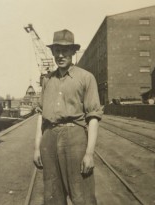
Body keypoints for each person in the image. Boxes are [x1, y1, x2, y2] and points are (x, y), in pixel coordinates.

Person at [33, 29, 103, 205]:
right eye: (57, 50)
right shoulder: (47, 80)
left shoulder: (86, 78)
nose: (61, 55)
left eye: (65, 50)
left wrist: (89, 153)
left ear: (73, 51)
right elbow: (41, 115)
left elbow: (93, 117)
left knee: (82, 195)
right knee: (52, 193)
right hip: (49, 137)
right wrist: (36, 147)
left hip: (75, 137)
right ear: (53, 52)